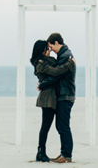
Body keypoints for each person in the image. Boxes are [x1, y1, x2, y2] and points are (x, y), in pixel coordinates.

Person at [30, 40, 74, 162]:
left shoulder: (47, 61)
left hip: (52, 96)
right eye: (47, 49)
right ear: (42, 51)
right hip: (48, 98)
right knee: (45, 126)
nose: (49, 51)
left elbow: (55, 69)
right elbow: (55, 73)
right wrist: (69, 65)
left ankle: (43, 152)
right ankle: (41, 152)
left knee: (50, 126)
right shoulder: (41, 63)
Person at [43, 33, 75, 163]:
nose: (51, 50)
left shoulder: (65, 56)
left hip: (65, 95)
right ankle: (64, 153)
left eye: (51, 46)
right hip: (64, 94)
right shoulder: (64, 55)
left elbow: (56, 75)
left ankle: (66, 155)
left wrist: (42, 84)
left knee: (63, 126)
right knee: (61, 125)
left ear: (57, 43)